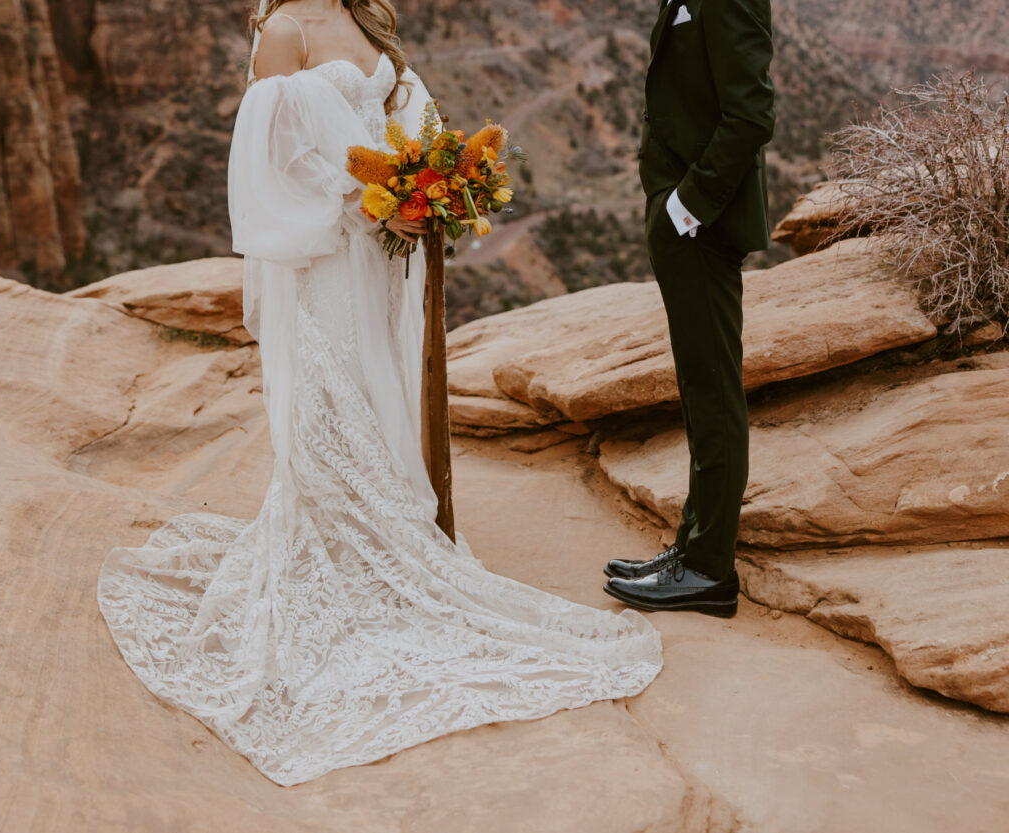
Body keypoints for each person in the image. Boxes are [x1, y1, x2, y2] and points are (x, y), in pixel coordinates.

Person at [95, 0, 662, 788]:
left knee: (376, 382)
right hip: (329, 257)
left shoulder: (365, 15)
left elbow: (405, 106)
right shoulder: (283, 32)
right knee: (332, 392)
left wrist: (434, 174)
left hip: (381, 251)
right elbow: (267, 156)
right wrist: (360, 200)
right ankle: (339, 539)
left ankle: (387, 526)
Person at [603, 0, 776, 617]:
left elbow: (752, 113)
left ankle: (708, 572)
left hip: (701, 222)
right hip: (678, 213)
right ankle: (691, 549)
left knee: (713, 392)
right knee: (698, 386)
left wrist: (686, 207)